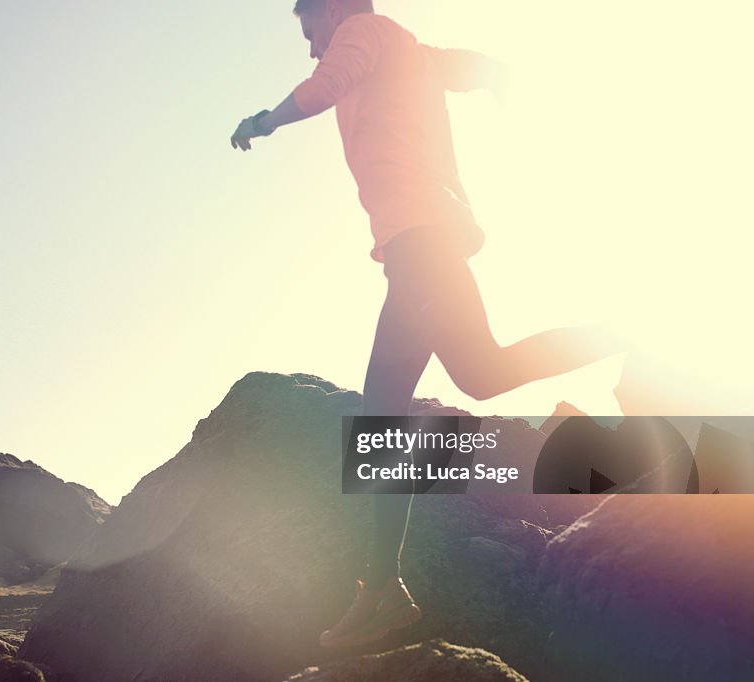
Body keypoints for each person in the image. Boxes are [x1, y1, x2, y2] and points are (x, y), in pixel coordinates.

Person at [230, 0, 627, 649]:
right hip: (421, 245)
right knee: (455, 385)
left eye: (310, 28)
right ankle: (383, 591)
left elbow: (327, 84)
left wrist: (265, 120)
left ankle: (383, 592)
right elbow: (460, 66)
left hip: (420, 244)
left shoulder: (359, 32)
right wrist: (500, 76)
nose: (310, 46)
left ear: (332, 10)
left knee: (422, 401)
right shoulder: (405, 46)